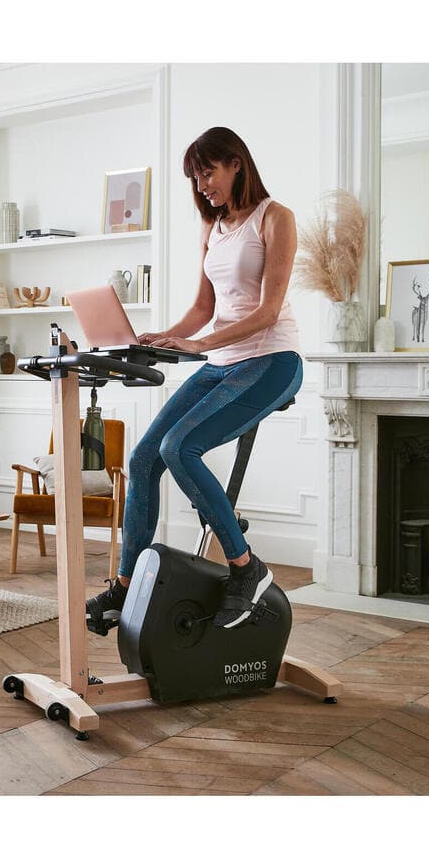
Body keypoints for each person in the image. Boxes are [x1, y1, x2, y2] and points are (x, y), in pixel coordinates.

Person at [86, 126, 303, 629]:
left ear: (236, 164)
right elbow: (204, 308)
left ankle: (245, 568)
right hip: (224, 361)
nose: (201, 185)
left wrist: (202, 344)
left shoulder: (276, 218)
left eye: (207, 172)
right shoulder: (214, 228)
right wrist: (167, 335)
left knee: (178, 447)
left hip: (273, 361)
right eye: (195, 177)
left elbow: (269, 311)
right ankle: (124, 587)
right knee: (144, 459)